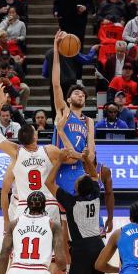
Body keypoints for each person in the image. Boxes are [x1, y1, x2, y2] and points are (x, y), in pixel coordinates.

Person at [47, 120, 113, 274]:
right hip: (99, 245)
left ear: (77, 189)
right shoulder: (95, 196)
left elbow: (49, 183)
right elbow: (93, 175)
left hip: (83, 249)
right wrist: (86, 158)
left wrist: (58, 160)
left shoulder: (71, 202)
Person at [0, 83, 76, 226]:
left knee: (22, 246)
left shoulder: (16, 152)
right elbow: (73, 158)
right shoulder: (50, 150)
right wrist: (61, 131)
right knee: (50, 246)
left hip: (24, 206)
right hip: (49, 205)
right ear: (35, 137)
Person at [51, 31, 90, 198]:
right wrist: (56, 50)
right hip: (62, 170)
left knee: (89, 220)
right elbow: (56, 84)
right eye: (76, 93)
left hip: (80, 170)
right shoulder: (63, 112)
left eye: (82, 94)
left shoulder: (88, 122)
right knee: (63, 218)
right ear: (68, 99)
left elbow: (91, 151)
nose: (80, 95)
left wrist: (87, 156)